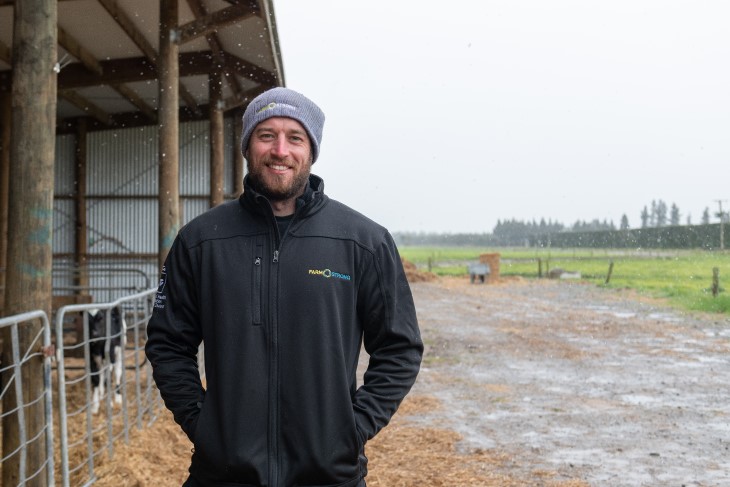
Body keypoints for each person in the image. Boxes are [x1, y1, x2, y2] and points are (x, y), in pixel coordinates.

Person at [145, 87, 423, 487]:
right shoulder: (201, 240)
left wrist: (353, 428)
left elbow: (400, 347)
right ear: (247, 147)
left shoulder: (362, 241)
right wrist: (203, 424)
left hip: (329, 476)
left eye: (295, 137)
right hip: (222, 476)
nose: (280, 149)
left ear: (310, 149)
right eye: (266, 135)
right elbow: (168, 343)